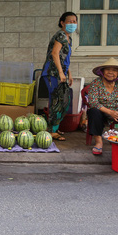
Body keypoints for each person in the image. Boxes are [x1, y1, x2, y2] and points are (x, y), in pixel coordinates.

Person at [41, 11, 78, 141]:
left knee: (62, 101)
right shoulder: (61, 35)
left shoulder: (69, 38)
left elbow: (64, 58)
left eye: (74, 21)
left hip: (60, 73)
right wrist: (61, 73)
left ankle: (54, 128)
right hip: (52, 73)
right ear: (62, 23)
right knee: (56, 101)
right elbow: (55, 54)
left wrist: (69, 72)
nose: (72, 24)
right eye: (69, 21)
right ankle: (51, 131)